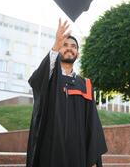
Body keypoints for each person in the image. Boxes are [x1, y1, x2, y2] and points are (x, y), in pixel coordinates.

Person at [26, 19, 107, 167]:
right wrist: (56, 45)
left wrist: (93, 158)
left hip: (78, 151)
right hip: (50, 149)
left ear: (78, 53)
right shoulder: (50, 78)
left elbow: (92, 122)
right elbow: (37, 81)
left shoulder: (85, 84)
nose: (69, 49)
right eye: (65, 45)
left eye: (74, 46)